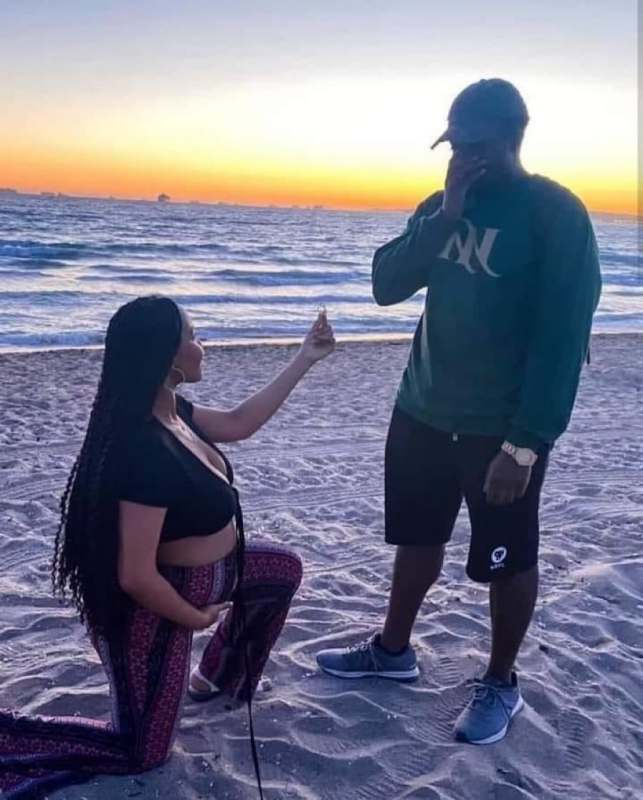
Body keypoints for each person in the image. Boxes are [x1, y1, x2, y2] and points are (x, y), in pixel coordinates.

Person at [317, 78, 601, 745]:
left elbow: (563, 337)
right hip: (420, 409)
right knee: (417, 538)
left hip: (499, 429)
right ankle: (392, 651)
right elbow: (386, 284)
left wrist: (524, 443)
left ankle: (500, 681)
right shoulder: (440, 205)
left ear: (511, 138)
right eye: (455, 145)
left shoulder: (554, 213)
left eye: (476, 145)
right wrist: (445, 213)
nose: (464, 157)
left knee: (508, 557)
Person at [0, 295, 335, 798]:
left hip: (217, 575)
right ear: (167, 355)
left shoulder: (174, 413)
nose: (203, 345)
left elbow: (240, 423)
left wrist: (305, 357)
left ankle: (217, 678)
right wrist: (193, 619)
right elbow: (136, 575)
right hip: (156, 607)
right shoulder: (143, 449)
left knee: (281, 572)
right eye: (194, 337)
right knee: (141, 752)